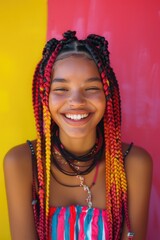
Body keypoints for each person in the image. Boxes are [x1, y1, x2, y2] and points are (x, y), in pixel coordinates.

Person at [4, 30, 152, 240]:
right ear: (44, 96)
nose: (76, 101)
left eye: (91, 88)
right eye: (61, 89)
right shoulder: (21, 162)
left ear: (108, 94)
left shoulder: (134, 164)